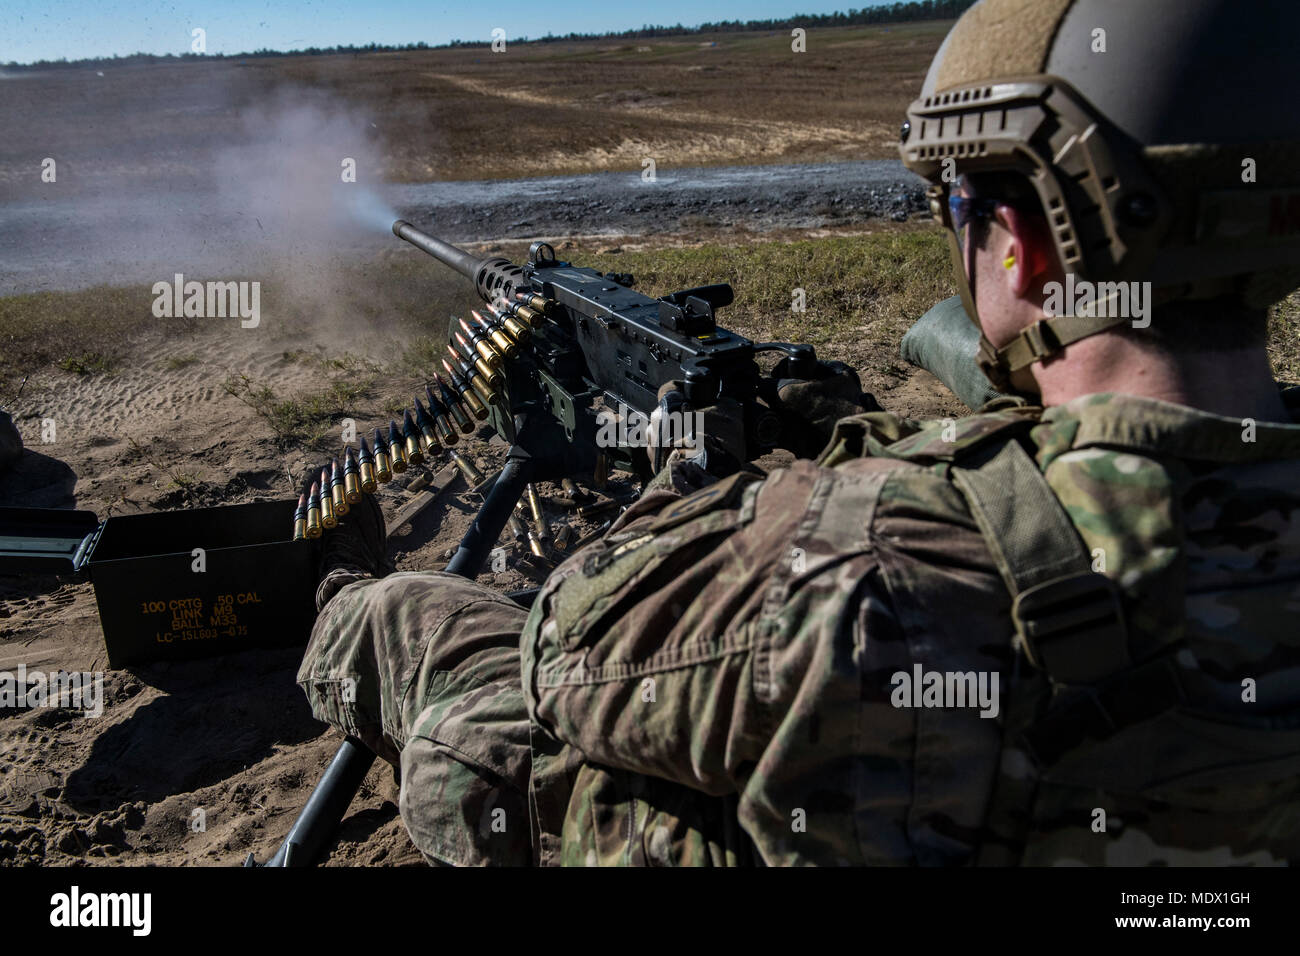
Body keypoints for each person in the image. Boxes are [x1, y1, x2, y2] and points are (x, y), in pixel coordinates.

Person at [296, 0, 1300, 865]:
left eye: (957, 203)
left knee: (429, 633)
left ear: (1027, 247)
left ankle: (332, 584)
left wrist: (685, 473)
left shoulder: (868, 558)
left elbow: (566, 640)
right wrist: (860, 434)